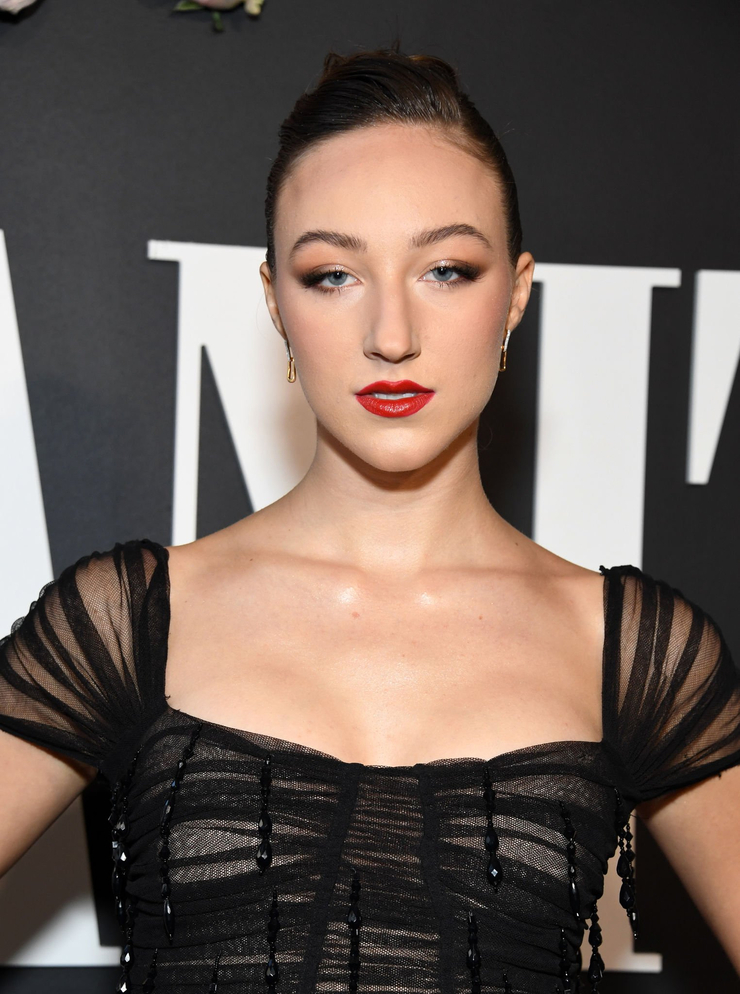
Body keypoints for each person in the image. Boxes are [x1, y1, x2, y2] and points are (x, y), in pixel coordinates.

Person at [1, 46, 739, 994]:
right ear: (275, 301)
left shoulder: (629, 651)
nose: (392, 336)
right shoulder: (133, 621)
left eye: (447, 269)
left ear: (516, 294)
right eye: (332, 275)